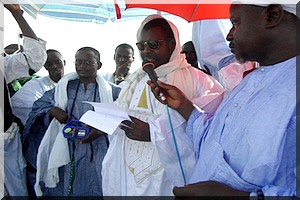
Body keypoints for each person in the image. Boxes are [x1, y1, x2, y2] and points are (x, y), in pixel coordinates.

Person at [147, 3, 297, 197]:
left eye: (236, 22)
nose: (229, 35)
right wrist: (184, 106)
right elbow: (215, 141)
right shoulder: (250, 81)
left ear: (272, 16)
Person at [101, 14, 224, 196]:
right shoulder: (136, 80)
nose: (146, 51)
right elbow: (120, 111)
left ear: (172, 44)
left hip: (167, 176)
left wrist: (154, 132)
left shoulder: (199, 81)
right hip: (129, 171)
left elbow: (209, 124)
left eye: (153, 44)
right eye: (141, 46)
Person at [31, 47, 121, 196]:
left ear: (99, 65)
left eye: (88, 62)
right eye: (78, 62)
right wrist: (54, 111)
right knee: (71, 187)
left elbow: (124, 116)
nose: (82, 66)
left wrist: (100, 130)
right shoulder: (63, 88)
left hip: (100, 149)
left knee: (101, 185)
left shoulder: (113, 91)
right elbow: (39, 105)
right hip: (69, 147)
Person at [0, 2, 47, 197]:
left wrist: (17, 14)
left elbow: (35, 58)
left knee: (17, 191)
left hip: (6, 140)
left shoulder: (3, 64)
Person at [11, 49, 65, 125]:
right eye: (49, 64)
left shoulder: (73, 83)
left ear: (64, 62)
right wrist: (50, 110)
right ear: (45, 66)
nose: (54, 66)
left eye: (58, 62)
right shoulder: (36, 84)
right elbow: (24, 105)